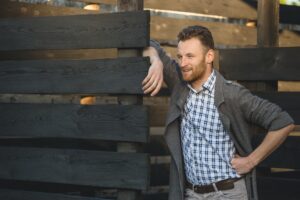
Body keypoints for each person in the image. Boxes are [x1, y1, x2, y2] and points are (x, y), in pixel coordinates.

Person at [142, 25, 295, 200]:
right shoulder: (180, 84)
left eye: (190, 56)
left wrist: (251, 161)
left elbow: (283, 122)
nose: (183, 63)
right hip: (191, 193)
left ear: (209, 56)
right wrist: (156, 61)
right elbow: (148, 43)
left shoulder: (232, 94)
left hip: (227, 193)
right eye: (180, 56)